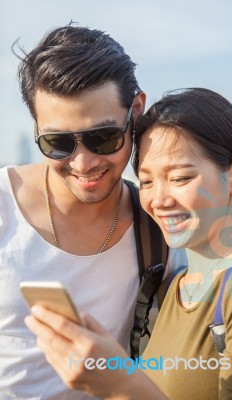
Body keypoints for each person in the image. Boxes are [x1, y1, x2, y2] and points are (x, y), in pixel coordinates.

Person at [25, 88, 232, 399]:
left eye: (180, 178)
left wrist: (120, 384)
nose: (158, 199)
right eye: (146, 182)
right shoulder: (170, 288)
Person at [0, 25, 186, 400]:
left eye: (103, 138)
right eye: (58, 143)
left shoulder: (158, 231)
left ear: (135, 111)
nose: (83, 163)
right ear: (36, 128)